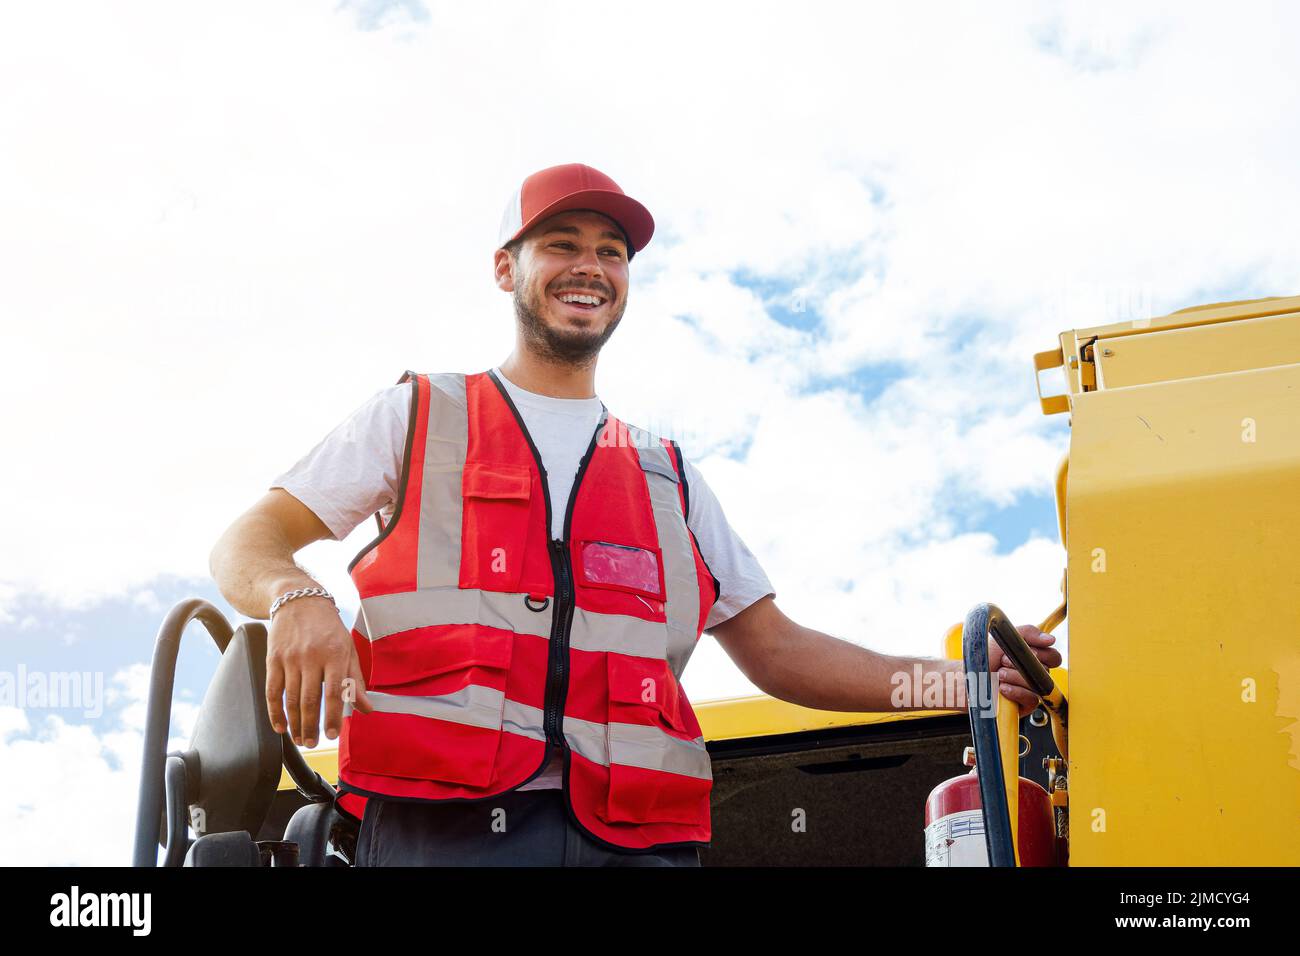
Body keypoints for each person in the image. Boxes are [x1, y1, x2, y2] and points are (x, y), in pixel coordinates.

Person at [209, 163, 1060, 866]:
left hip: (636, 843)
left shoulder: (665, 471)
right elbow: (248, 543)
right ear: (507, 268)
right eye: (562, 245)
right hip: (443, 832)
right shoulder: (417, 415)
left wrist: (963, 681)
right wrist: (299, 598)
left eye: (611, 253)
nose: (591, 267)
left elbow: (779, 651)